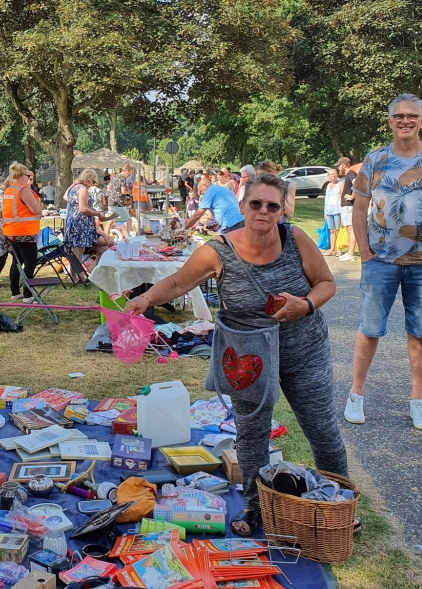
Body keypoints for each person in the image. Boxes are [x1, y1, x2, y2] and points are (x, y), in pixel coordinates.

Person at [123, 173, 349, 537]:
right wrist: (147, 299)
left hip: (304, 350)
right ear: (242, 206)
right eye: (255, 204)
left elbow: (327, 284)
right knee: (252, 434)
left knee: (322, 430)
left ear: (282, 210)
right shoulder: (218, 250)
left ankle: (337, 502)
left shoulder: (296, 240)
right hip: (248, 357)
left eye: (272, 205)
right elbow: (179, 282)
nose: (263, 211)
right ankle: (255, 505)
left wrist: (304, 304)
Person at [345, 94, 422, 432]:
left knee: (420, 333)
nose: (405, 121)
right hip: (380, 260)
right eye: (399, 116)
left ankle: (418, 398)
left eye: (412, 116)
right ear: (390, 120)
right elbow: (358, 208)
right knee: (369, 330)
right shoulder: (375, 159)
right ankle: (356, 393)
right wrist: (364, 253)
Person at [2, 162, 43, 302]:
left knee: (17, 261)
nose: (29, 178)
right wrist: (40, 206)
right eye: (28, 175)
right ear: (22, 176)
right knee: (31, 262)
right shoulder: (23, 190)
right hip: (25, 231)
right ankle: (28, 294)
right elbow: (36, 209)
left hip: (12, 231)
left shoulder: (9, 190)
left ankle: (15, 291)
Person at [65, 169, 113, 269]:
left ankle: (83, 275)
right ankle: (78, 276)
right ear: (90, 179)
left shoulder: (74, 187)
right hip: (80, 224)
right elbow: (83, 209)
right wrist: (98, 213)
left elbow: (66, 197)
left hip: (75, 223)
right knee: (78, 252)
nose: (93, 184)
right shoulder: (83, 189)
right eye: (94, 181)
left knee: (78, 251)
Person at [333, 157, 358, 261]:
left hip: (349, 206)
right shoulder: (348, 175)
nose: (338, 168)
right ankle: (349, 252)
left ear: (344, 165)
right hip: (347, 206)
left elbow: (356, 183)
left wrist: (352, 196)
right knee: (349, 229)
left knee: (351, 229)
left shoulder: (351, 173)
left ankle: (351, 253)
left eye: (339, 166)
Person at [322, 169, 343, 256]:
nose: (333, 176)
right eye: (331, 174)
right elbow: (326, 199)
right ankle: (332, 249)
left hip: (338, 211)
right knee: (332, 231)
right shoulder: (328, 186)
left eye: (334, 174)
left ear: (337, 175)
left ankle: (339, 249)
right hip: (329, 211)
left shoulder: (340, 184)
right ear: (328, 176)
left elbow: (342, 197)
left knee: (338, 230)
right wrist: (325, 212)